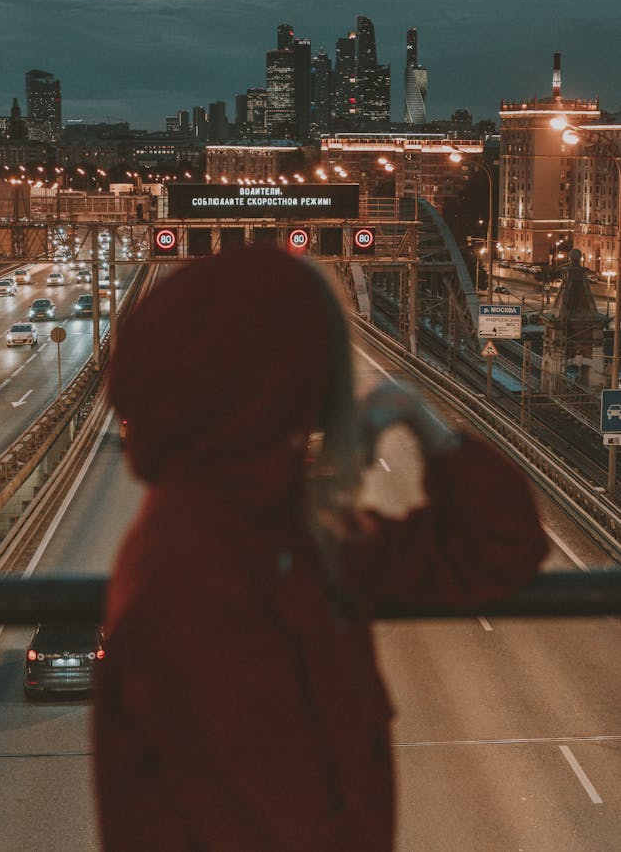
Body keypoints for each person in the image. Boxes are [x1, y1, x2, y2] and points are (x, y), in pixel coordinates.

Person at [93, 246, 548, 851]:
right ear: (277, 388)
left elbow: (498, 546)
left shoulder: (289, 537)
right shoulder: (194, 569)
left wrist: (425, 424)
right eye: (324, 370)